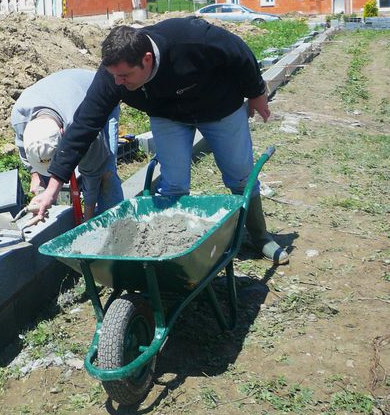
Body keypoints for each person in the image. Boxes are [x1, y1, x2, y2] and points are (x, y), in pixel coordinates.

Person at [33, 18, 288, 264]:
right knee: (174, 183)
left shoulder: (190, 39)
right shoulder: (114, 75)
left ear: (146, 59)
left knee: (240, 176)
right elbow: (84, 125)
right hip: (168, 115)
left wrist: (256, 93)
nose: (118, 83)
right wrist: (53, 187)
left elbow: (238, 52)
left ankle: (259, 236)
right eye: (115, 77)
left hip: (219, 107)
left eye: (125, 76)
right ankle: (179, 243)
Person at [10, 68, 123, 220]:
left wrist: (87, 219)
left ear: (63, 133)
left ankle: (116, 224)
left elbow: (93, 172)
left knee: (106, 172)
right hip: (60, 91)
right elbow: (25, 150)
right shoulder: (20, 118)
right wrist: (35, 175)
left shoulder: (80, 124)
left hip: (100, 91)